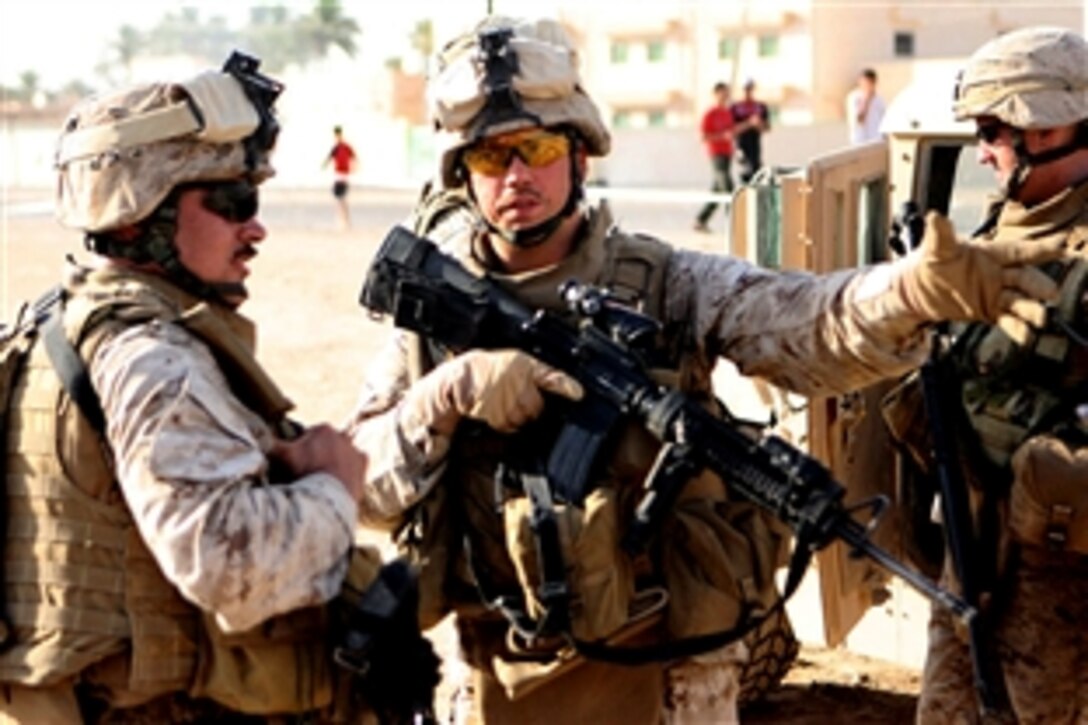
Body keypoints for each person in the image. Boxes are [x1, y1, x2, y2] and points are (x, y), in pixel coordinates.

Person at [346, 16, 1071, 725]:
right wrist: (442, 399)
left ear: (580, 154)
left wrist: (910, 292)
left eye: (535, 147)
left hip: (673, 683)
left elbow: (808, 321)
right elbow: (365, 490)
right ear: (460, 176)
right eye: (487, 158)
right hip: (495, 681)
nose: (514, 175)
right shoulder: (432, 324)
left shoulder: (669, 285)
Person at [0, 56, 438, 722]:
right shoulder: (151, 356)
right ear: (135, 215)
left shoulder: (50, 327)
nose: (254, 227)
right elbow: (223, 562)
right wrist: (332, 487)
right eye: (233, 203)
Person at [903, 26, 1088, 724]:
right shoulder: (990, 235)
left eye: (992, 128)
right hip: (972, 546)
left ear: (1051, 126)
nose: (981, 150)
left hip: (1059, 572)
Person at [694, 81, 735, 232]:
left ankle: (700, 220)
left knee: (717, 190)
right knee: (728, 187)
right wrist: (721, 137)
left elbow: (732, 132)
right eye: (723, 93)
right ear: (716, 94)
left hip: (727, 154)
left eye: (727, 93)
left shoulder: (727, 113)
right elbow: (703, 137)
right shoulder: (710, 114)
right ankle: (733, 222)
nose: (726, 96)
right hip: (716, 154)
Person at [730, 79, 770, 184]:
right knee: (744, 167)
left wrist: (758, 124)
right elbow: (732, 129)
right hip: (741, 142)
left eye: (750, 89)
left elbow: (767, 127)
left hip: (755, 143)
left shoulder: (760, 106)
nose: (748, 92)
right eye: (746, 89)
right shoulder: (735, 107)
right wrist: (749, 123)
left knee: (756, 167)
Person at [323, 125, 357, 230]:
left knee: (341, 198)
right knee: (341, 199)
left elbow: (354, 158)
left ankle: (344, 220)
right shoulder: (338, 147)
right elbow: (328, 159)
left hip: (342, 176)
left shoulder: (342, 147)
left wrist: (354, 168)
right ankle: (344, 220)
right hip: (340, 175)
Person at [846, 68, 886, 145]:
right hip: (859, 141)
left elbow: (883, 120)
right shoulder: (854, 97)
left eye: (870, 83)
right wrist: (865, 100)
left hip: (876, 140)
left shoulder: (879, 100)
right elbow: (858, 120)